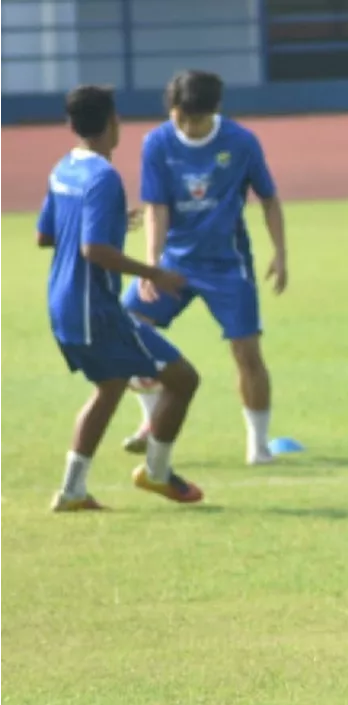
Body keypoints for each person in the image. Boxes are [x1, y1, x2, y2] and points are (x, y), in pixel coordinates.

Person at [38, 84, 204, 511]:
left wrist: (111, 221)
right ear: (113, 123)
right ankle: (157, 472)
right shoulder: (104, 176)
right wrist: (155, 273)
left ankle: (73, 491)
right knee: (184, 379)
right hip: (96, 308)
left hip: (62, 302)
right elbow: (94, 251)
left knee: (109, 388)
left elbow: (46, 234)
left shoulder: (62, 169)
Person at [119, 69, 288, 466]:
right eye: (180, 116)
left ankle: (258, 446)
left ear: (214, 111)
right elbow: (156, 206)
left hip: (227, 265)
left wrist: (280, 253)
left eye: (195, 118)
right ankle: (150, 420)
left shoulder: (241, 142)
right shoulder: (157, 142)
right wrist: (151, 265)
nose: (187, 126)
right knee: (127, 327)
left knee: (247, 352)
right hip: (174, 261)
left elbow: (269, 198)